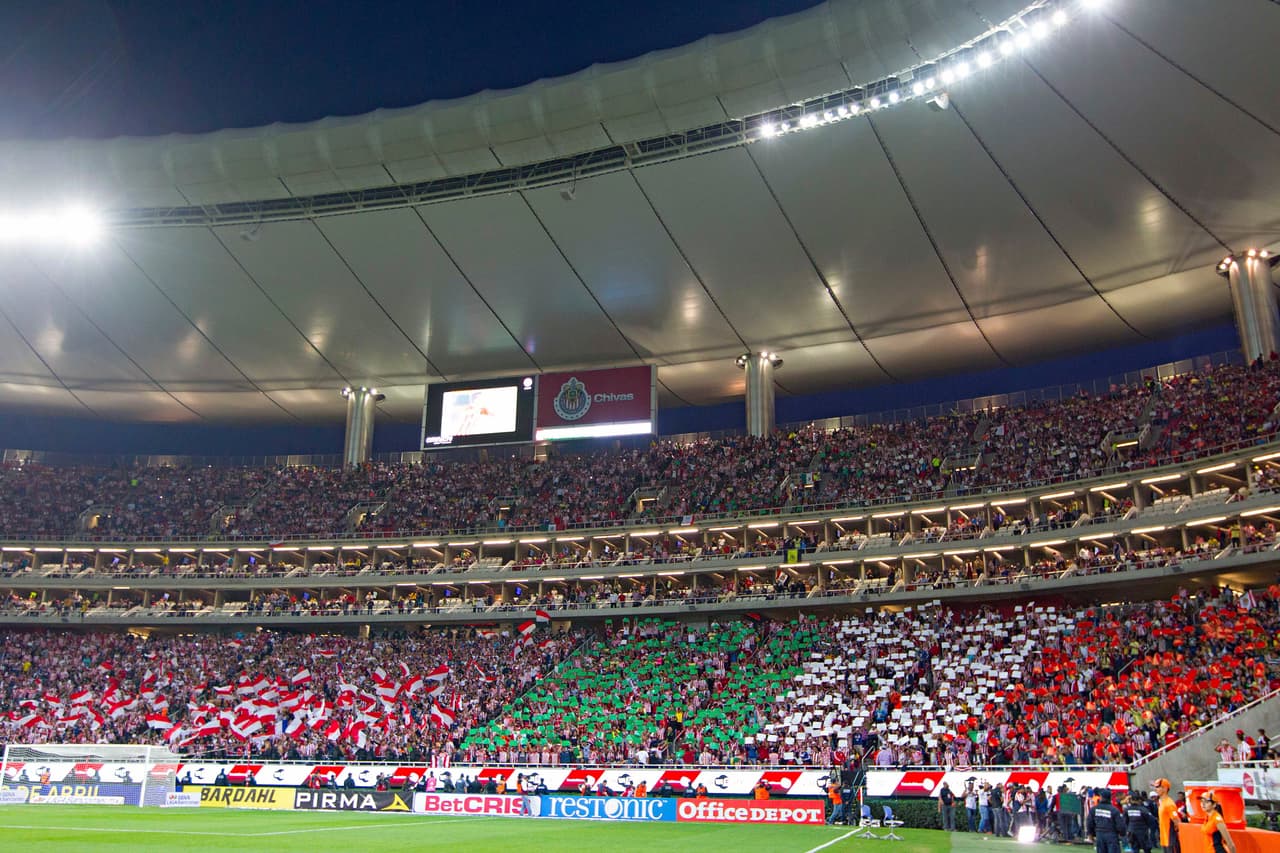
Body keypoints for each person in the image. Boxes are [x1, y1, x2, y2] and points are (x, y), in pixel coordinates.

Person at [1153, 778, 1179, 853]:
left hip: (1170, 839)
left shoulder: (1169, 803)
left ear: (1164, 788)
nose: (1156, 789)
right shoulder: (1162, 803)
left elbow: (1176, 821)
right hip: (1165, 838)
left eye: (1158, 787)